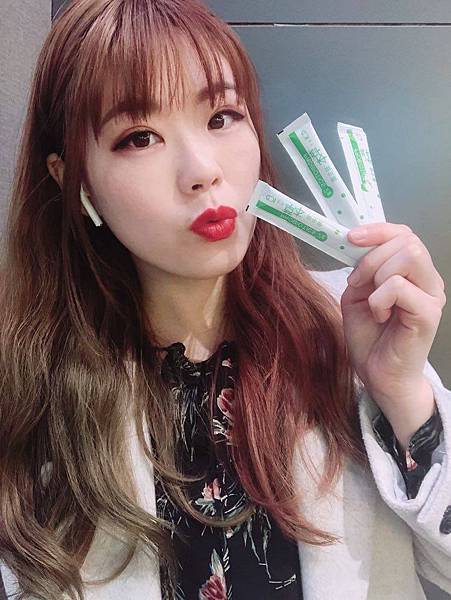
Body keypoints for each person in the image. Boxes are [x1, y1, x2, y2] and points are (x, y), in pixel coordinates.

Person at [0, 0, 450, 599]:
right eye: (140, 137)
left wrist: (402, 391)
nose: (202, 171)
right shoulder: (33, 384)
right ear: (72, 179)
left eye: (222, 116)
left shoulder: (350, 327)